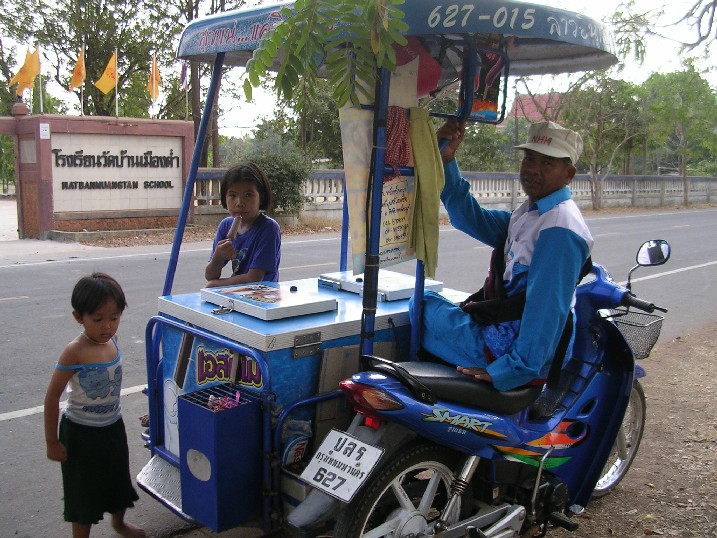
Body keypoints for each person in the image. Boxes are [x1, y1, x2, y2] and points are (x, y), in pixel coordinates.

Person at [413, 119, 593, 391]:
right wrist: (447, 160)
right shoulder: (531, 213)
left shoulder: (559, 227)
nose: (532, 169)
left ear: (568, 174)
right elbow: (471, 219)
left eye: (547, 163)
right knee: (428, 301)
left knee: (422, 306)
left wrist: (510, 372)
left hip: (510, 350)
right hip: (505, 330)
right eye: (529, 159)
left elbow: (546, 310)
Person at [44, 272, 145, 538]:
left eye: (114, 318)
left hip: (112, 426)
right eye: (98, 319)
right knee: (83, 493)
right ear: (79, 317)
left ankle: (119, 524)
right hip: (80, 434)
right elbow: (53, 396)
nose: (107, 327)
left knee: (117, 479)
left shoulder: (112, 340)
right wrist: (52, 442)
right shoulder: (74, 351)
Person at [204, 162, 281, 287]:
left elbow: (254, 278)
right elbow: (210, 275)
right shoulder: (225, 225)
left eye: (248, 195)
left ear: (260, 197)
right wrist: (218, 256)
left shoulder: (268, 228)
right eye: (233, 195)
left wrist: (214, 285)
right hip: (236, 294)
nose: (239, 203)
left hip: (262, 296)